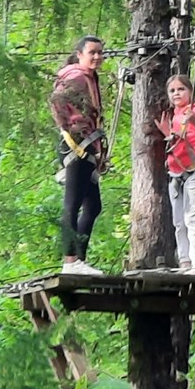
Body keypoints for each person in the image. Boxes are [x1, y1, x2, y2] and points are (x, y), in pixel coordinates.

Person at [50, 35, 109, 274]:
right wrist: (73, 127)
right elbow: (57, 100)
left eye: (100, 53)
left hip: (87, 145)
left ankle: (78, 260)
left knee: (93, 206)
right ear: (79, 54)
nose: (97, 57)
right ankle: (71, 260)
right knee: (72, 204)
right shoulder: (76, 76)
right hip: (76, 145)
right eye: (92, 52)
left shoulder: (88, 77)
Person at [160, 74, 195, 274]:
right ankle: (185, 262)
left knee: (193, 217)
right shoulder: (172, 117)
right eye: (172, 90)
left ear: (190, 92)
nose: (176, 93)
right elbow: (174, 144)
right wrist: (167, 133)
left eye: (181, 89)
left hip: (194, 169)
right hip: (175, 171)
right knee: (179, 221)